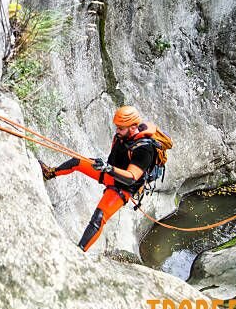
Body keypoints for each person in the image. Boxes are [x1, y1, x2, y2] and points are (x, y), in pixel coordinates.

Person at [39, 106, 156, 252]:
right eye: (117, 127)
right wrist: (106, 168)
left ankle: (79, 252)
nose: (117, 131)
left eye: (121, 128)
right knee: (77, 162)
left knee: (98, 219)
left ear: (133, 128)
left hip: (123, 188)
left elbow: (131, 178)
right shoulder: (122, 136)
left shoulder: (144, 149)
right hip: (109, 173)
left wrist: (108, 169)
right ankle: (50, 173)